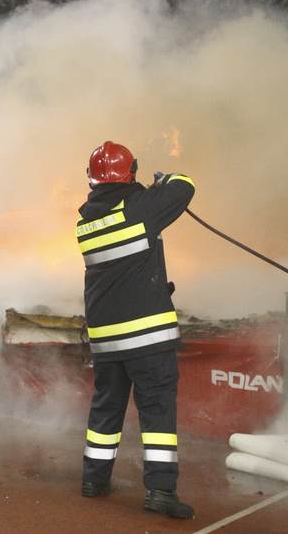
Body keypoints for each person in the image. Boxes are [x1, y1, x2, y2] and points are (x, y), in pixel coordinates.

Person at [75, 141, 195, 520]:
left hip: (106, 339)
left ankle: (94, 479)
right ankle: (160, 490)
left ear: (92, 178)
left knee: (106, 408)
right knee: (157, 412)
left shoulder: (85, 222)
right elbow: (185, 186)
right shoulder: (140, 208)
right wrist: (162, 181)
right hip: (147, 337)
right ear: (131, 172)